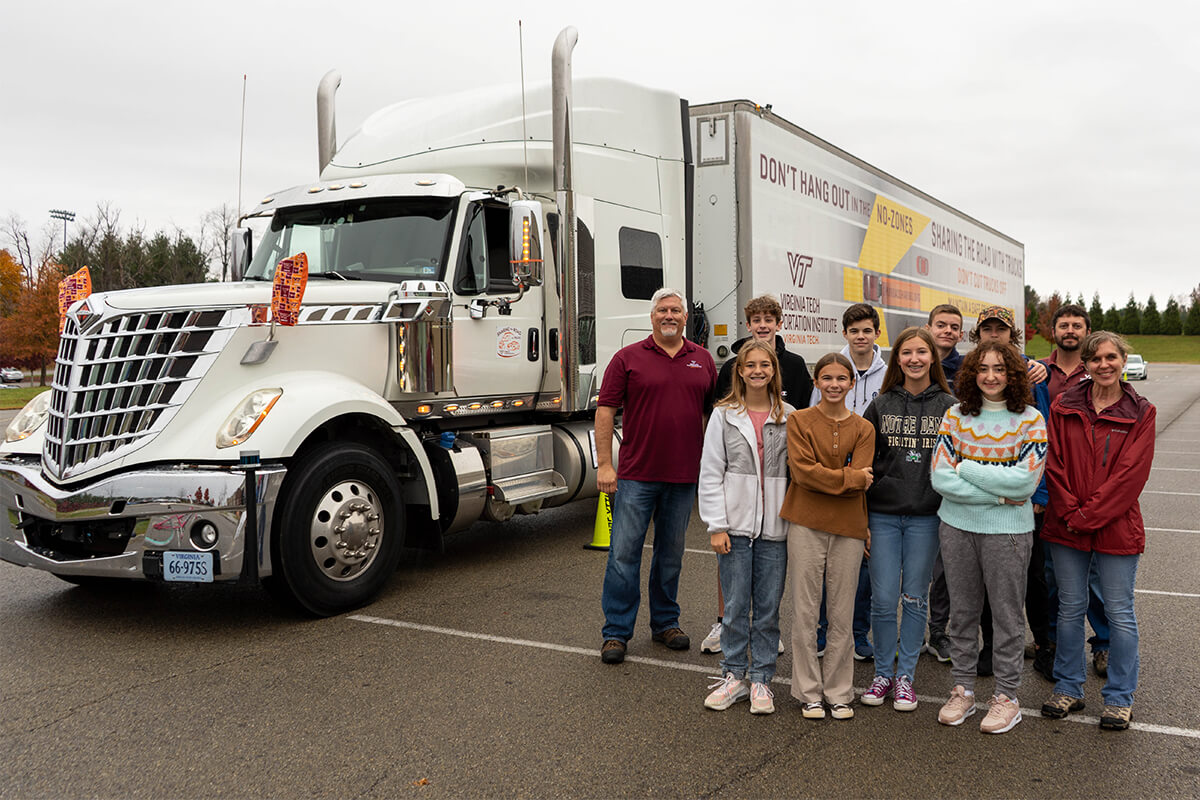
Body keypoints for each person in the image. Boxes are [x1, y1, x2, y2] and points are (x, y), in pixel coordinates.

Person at [1039, 332, 1155, 731]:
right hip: (1066, 523)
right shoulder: (1063, 405)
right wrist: (1071, 510)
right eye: (1095, 359)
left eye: (1111, 357)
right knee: (1069, 609)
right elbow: (1052, 462)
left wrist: (1086, 516)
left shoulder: (1142, 411)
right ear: (1085, 365)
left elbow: (1130, 476)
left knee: (1119, 613)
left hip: (1115, 527)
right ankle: (1069, 687)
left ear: (1123, 360)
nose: (1103, 365)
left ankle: (1120, 697)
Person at [595, 288, 718, 664]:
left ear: (685, 317)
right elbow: (605, 412)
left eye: (676, 310)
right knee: (623, 555)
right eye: (663, 310)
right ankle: (616, 632)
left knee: (671, 556)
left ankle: (665, 622)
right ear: (652, 317)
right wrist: (604, 464)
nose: (669, 315)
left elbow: (712, 417)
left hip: (683, 476)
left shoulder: (703, 360)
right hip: (636, 475)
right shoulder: (627, 358)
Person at [931, 342, 1047, 734]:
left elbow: (1026, 481)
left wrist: (966, 466)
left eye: (1000, 369)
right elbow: (940, 478)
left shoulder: (1030, 420)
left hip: (1008, 534)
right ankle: (962, 689)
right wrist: (1000, 493)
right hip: (957, 528)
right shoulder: (954, 416)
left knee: (1007, 616)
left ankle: (1006, 697)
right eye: (983, 369)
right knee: (962, 614)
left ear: (1013, 374)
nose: (991, 376)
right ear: (971, 374)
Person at [702, 294, 812, 656]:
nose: (763, 325)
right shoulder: (725, 405)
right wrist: (716, 523)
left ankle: (762, 666)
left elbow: (800, 460)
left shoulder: (795, 380)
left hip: (775, 519)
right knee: (734, 596)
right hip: (735, 517)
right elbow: (713, 464)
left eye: (769, 319)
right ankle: (727, 643)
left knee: (768, 603)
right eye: (756, 319)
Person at [859, 328, 956, 712]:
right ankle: (883, 672)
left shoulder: (951, 406)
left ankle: (905, 680)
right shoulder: (880, 405)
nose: (914, 359)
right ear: (896, 359)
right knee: (882, 600)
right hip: (882, 516)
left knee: (915, 598)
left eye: (921, 352)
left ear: (933, 357)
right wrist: (862, 518)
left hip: (926, 518)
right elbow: (863, 465)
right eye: (906, 353)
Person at [699, 341, 795, 714]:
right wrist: (716, 525)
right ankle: (734, 676)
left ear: (774, 371)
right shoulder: (724, 415)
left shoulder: (790, 415)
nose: (757, 370)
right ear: (739, 371)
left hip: (776, 530)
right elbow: (710, 473)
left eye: (764, 365)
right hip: (735, 529)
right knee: (736, 607)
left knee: (768, 609)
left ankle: (762, 681)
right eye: (750, 365)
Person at [782, 353, 875, 720]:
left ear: (852, 383)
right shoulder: (799, 421)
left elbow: (865, 476)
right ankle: (808, 691)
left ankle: (838, 691)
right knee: (805, 611)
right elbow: (803, 474)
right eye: (826, 378)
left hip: (850, 526)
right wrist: (848, 477)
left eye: (841, 378)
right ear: (816, 382)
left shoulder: (864, 428)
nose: (834, 384)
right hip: (805, 522)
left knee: (841, 612)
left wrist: (846, 478)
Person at [1039, 304, 1112, 680]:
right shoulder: (1039, 372)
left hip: (1092, 491)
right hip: (1053, 490)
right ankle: (1052, 644)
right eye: (1063, 324)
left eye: (1077, 325)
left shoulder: (1098, 369)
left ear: (1086, 331)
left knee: (1096, 577)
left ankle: (1103, 645)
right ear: (1053, 331)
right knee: (1055, 579)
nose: (1070, 330)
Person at [810, 303, 883, 662]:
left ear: (876, 334)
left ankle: (858, 633)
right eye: (854, 331)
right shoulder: (831, 367)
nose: (860, 336)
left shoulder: (889, 372)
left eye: (866, 330)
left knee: (863, 564)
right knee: (825, 564)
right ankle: (823, 632)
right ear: (845, 334)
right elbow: (813, 428)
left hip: (870, 480)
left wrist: (861, 476)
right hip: (828, 484)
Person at [922, 304, 964, 663]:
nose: (947, 331)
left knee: (946, 566)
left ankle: (939, 631)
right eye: (941, 325)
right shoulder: (912, 361)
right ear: (929, 326)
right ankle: (908, 630)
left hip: (951, 480)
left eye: (954, 327)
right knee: (913, 563)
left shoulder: (967, 371)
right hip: (911, 478)